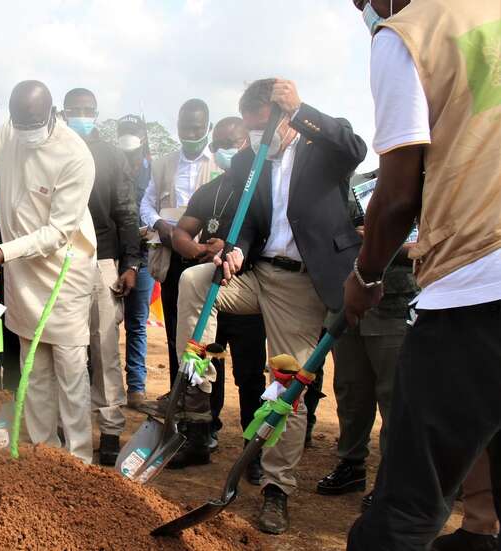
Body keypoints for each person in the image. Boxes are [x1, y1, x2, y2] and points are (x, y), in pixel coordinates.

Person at [175, 78, 366, 534]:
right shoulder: (248, 161)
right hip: (255, 274)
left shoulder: (322, 148)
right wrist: (236, 249)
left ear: (284, 119)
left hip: (301, 286)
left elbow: (355, 147)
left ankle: (277, 488)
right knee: (193, 281)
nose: (257, 138)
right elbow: (249, 222)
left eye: (263, 127)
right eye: (250, 129)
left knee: (287, 388)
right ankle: (197, 382)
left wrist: (302, 109)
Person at [346, 1, 501, 548]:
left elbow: (395, 200)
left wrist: (364, 277)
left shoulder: (408, 34)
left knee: (408, 503)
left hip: (479, 283)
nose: (362, 10)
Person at [0, 81, 97, 463]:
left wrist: (5, 251)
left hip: (63, 272)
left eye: (34, 122)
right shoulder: (9, 132)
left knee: (69, 370)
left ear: (52, 113)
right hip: (21, 272)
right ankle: (43, 454)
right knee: (33, 369)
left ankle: (79, 459)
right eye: (20, 122)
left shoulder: (76, 155)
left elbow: (58, 232)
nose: (27, 130)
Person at [168, 116, 267, 473]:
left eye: (235, 142)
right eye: (221, 143)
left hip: (244, 295)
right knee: (201, 365)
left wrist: (232, 248)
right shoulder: (211, 191)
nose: (227, 149)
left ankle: (252, 454)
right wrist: (198, 252)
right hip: (207, 292)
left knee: (250, 377)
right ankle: (199, 437)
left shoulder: (262, 188)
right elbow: (181, 231)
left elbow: (263, 238)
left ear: (248, 144)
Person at [316, 170, 417, 508]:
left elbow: (425, 249)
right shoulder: (359, 184)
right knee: (351, 389)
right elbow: (333, 236)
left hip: (395, 304)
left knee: (393, 396)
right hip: (351, 303)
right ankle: (351, 463)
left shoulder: (431, 189)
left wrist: (379, 242)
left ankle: (391, 479)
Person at [62, 88, 141, 465]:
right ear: (62, 112)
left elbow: (127, 211)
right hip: (59, 262)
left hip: (103, 262)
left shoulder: (111, 155)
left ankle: (110, 429)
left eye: (87, 110)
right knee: (67, 348)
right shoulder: (53, 149)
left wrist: (131, 264)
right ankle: (70, 424)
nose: (81, 115)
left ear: (96, 114)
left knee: (105, 348)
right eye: (74, 110)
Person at [140, 99, 221, 389]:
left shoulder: (221, 164)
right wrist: (160, 225)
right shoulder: (163, 165)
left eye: (197, 128)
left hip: (208, 257)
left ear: (208, 128)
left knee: (206, 334)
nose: (190, 134)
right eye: (185, 128)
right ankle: (179, 392)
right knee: (176, 330)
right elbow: (147, 204)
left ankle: (208, 404)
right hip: (173, 256)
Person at [117, 114, 154, 408]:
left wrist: (148, 229)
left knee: (137, 324)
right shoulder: (110, 167)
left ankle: (136, 387)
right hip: (112, 256)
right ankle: (98, 382)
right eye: (123, 132)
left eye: (132, 132)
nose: (127, 137)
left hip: (143, 258)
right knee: (100, 324)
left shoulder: (153, 172)